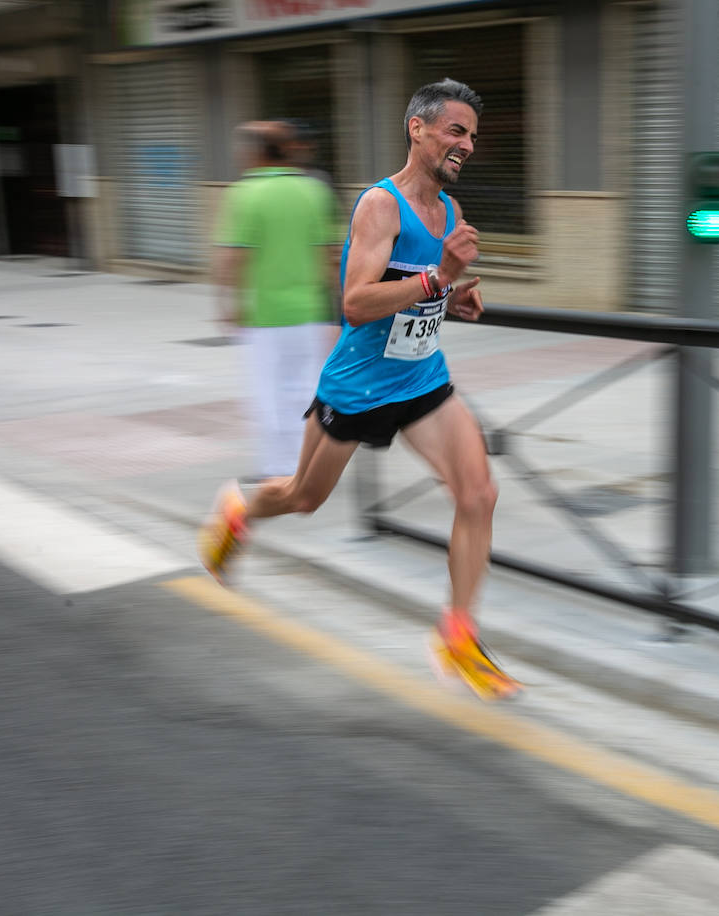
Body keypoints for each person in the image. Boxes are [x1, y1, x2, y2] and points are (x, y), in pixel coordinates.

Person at [198, 78, 521, 701]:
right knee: (301, 497)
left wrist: (457, 296)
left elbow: (427, 293)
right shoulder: (380, 205)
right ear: (418, 129)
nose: (467, 145)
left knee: (478, 493)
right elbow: (356, 303)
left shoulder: (449, 212)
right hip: (358, 385)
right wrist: (438, 278)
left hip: (421, 377)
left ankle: (458, 634)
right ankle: (238, 511)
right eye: (456, 131)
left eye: (473, 136)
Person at [213, 120, 340, 482]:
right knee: (305, 391)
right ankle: (309, 465)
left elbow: (231, 258)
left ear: (256, 153)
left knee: (269, 394)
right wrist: (339, 307)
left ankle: (277, 470)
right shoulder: (315, 191)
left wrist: (226, 302)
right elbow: (330, 255)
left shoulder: (243, 194)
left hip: (265, 317)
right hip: (312, 313)